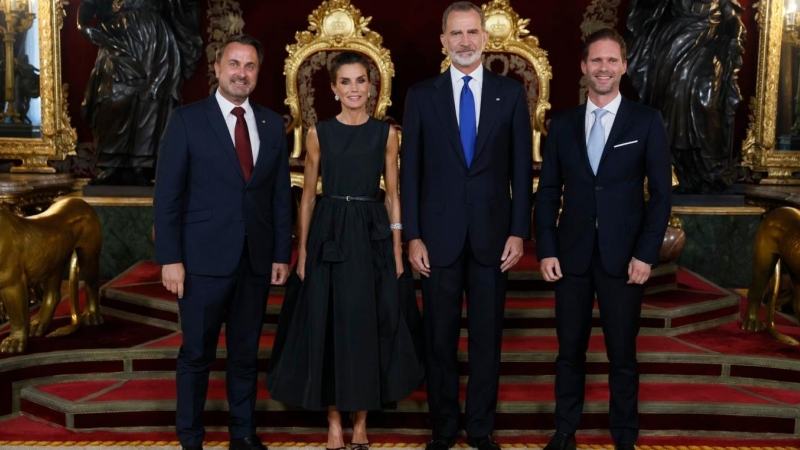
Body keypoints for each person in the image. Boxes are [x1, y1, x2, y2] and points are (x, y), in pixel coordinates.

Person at [266, 51, 424, 450]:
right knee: (327, 323)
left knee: (366, 324)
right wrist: (300, 250)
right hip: (328, 232)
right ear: (334, 89)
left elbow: (393, 195)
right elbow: (306, 199)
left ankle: (361, 423)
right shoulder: (319, 132)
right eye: (346, 82)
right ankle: (334, 422)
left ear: (371, 87)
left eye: (360, 81)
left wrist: (396, 247)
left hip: (370, 231)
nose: (354, 89)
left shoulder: (386, 134)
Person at [400, 2, 533, 449]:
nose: (465, 41)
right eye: (456, 34)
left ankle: (479, 428)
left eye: (472, 32)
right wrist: (413, 235)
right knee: (439, 340)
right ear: (443, 41)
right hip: (436, 240)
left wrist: (519, 231)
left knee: (486, 341)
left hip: (494, 240)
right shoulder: (421, 96)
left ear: (485, 37)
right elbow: (410, 173)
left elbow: (521, 171)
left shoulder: (511, 94)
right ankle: (442, 428)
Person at [534, 28, 672, 450]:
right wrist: (547, 249)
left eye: (612, 60)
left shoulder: (646, 121)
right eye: (597, 60)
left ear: (624, 67)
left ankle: (624, 437)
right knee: (569, 352)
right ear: (583, 66)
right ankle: (564, 431)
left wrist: (646, 254)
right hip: (571, 257)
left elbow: (662, 195)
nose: (604, 68)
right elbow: (548, 192)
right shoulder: (562, 124)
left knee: (622, 357)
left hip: (624, 258)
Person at [153, 34, 292, 450]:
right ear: (216, 68)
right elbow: (167, 196)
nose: (241, 73)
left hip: (254, 261)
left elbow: (280, 194)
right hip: (200, 262)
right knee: (196, 354)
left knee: (245, 355)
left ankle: (243, 433)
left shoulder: (270, 123)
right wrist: (170, 259)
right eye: (234, 64)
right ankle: (191, 438)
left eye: (249, 66)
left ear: (257, 73)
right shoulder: (186, 120)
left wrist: (281, 252)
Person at [625, 0, 745, 194]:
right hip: (674, 44)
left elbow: (732, 16)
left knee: (707, 101)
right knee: (672, 98)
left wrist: (734, 39)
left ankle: (710, 169)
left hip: (710, 43)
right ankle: (673, 169)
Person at [79, 0, 203, 186]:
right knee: (112, 97)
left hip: (153, 39)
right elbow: (90, 3)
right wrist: (82, 25)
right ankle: (111, 163)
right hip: (118, 37)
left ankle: (142, 164)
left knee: (152, 99)